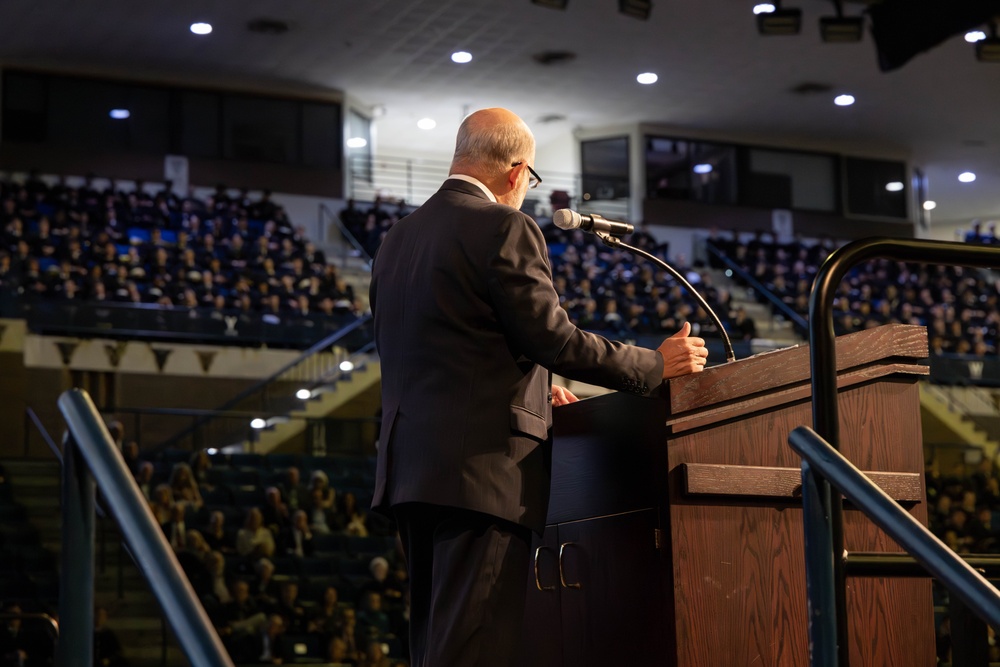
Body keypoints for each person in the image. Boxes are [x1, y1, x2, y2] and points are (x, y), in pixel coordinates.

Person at [369, 107, 708, 667]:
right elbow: (554, 340)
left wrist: (528, 389)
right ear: (517, 171)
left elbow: (446, 349)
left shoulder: (396, 240)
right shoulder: (503, 225)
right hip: (482, 474)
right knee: (474, 648)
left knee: (437, 646)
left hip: (411, 473)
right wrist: (656, 365)